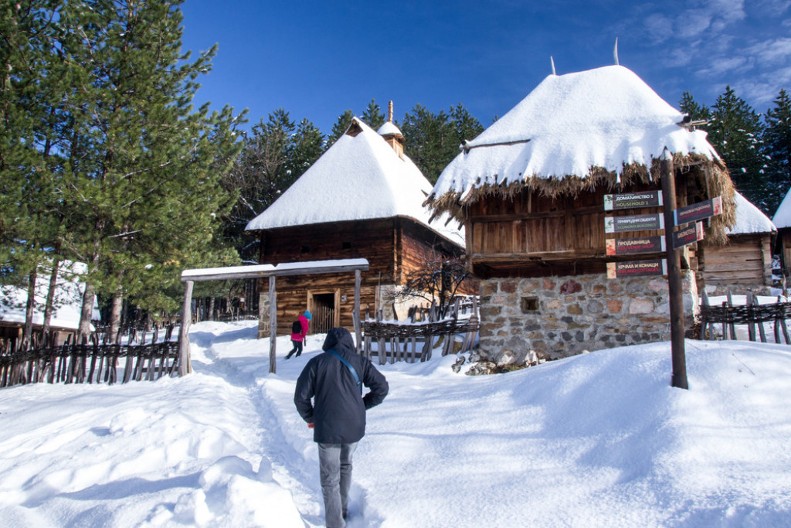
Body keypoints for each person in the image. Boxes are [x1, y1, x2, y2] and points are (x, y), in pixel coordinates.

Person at [294, 327, 388, 528]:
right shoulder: (360, 362)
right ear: (349, 342)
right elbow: (382, 388)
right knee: (345, 465)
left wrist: (312, 417)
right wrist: (362, 406)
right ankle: (342, 510)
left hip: (327, 426)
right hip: (353, 426)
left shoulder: (317, 362)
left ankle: (335, 523)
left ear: (328, 342)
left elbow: (300, 397)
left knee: (330, 477)